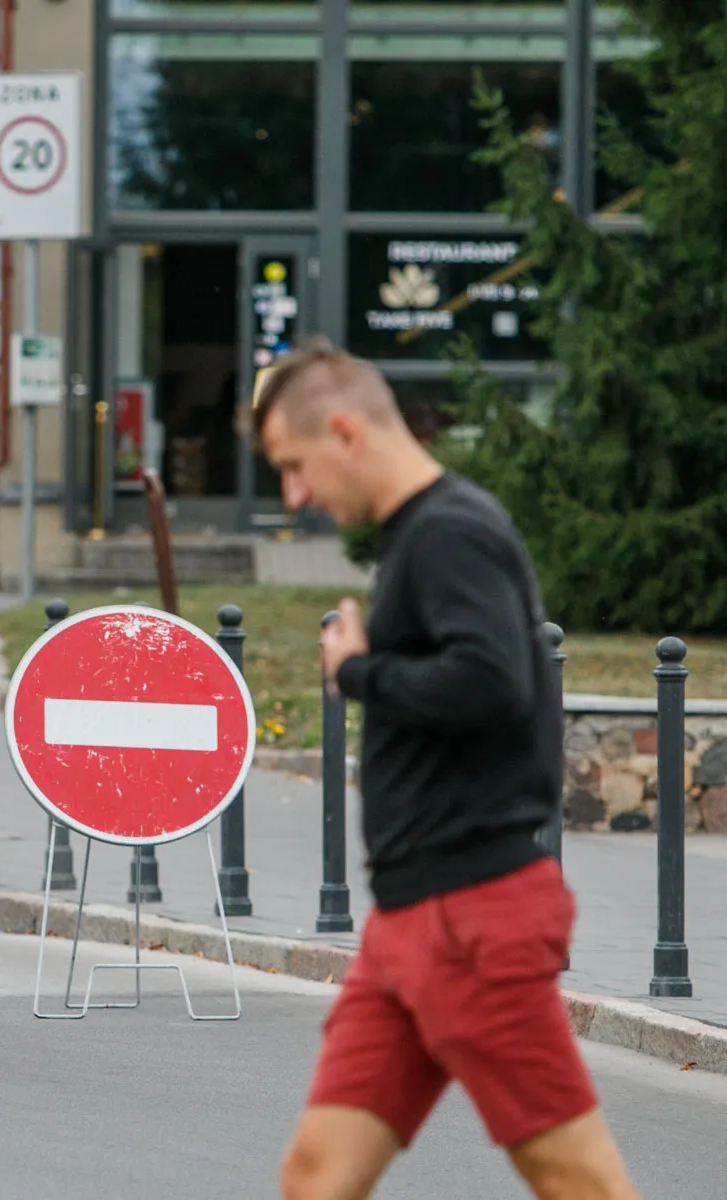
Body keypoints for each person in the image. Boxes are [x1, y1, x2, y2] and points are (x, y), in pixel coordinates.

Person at [253, 338, 637, 1200]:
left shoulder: (449, 533)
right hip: (409, 922)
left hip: (471, 917)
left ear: (344, 431)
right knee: (316, 1174)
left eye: (294, 465)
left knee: (580, 1181)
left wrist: (358, 672)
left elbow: (492, 682)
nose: (295, 495)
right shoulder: (421, 534)